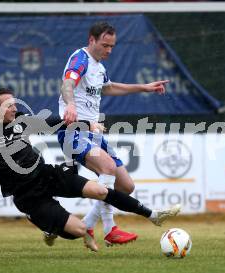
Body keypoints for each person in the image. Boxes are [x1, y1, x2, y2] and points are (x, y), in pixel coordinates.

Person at [0, 87, 180, 248]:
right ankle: (44, 222)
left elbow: (56, 123)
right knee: (78, 232)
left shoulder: (23, 120)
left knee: (99, 190)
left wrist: (87, 124)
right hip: (27, 195)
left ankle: (151, 214)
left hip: (46, 174)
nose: (14, 107)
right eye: (8, 104)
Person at [58, 21, 170, 251]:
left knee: (126, 186)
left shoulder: (98, 67)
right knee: (108, 167)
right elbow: (67, 84)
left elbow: (107, 88)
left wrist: (144, 87)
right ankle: (110, 229)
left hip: (94, 133)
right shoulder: (80, 59)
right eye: (105, 45)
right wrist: (70, 105)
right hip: (74, 130)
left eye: (112, 46)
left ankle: (88, 225)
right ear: (92, 40)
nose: (109, 50)